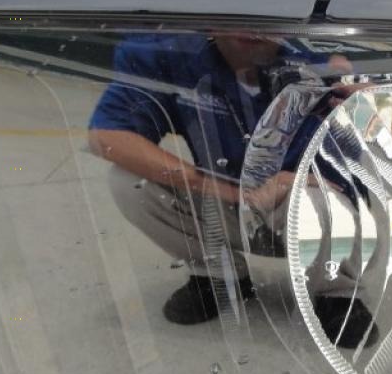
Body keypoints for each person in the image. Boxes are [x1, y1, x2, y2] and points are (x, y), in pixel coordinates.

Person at [88, 31, 352, 327]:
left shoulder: (323, 65)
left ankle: (336, 290)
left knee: (318, 202)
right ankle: (219, 274)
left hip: (306, 209)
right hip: (230, 201)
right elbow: (107, 136)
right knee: (130, 181)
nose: (249, 26)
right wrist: (236, 193)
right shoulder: (170, 56)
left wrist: (370, 108)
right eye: (238, 8)